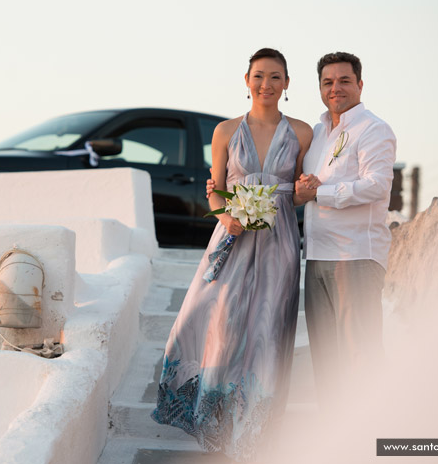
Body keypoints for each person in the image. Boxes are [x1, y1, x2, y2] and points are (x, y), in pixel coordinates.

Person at [152, 48, 312, 461]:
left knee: (268, 328)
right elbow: (216, 189)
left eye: (276, 77)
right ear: (246, 80)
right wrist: (229, 215)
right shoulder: (224, 131)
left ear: (287, 84)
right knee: (221, 322)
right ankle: (216, 423)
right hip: (232, 239)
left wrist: (301, 194)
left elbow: (296, 192)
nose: (267, 84)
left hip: (278, 243)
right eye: (259, 76)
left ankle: (256, 431)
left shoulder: (303, 132)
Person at [293, 52, 396, 408]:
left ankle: (371, 438)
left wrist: (319, 192)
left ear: (360, 84)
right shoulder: (318, 133)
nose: (335, 88)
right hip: (318, 255)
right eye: (328, 82)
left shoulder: (374, 129)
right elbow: (301, 186)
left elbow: (377, 185)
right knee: (326, 360)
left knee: (360, 356)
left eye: (344, 81)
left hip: (355, 255)